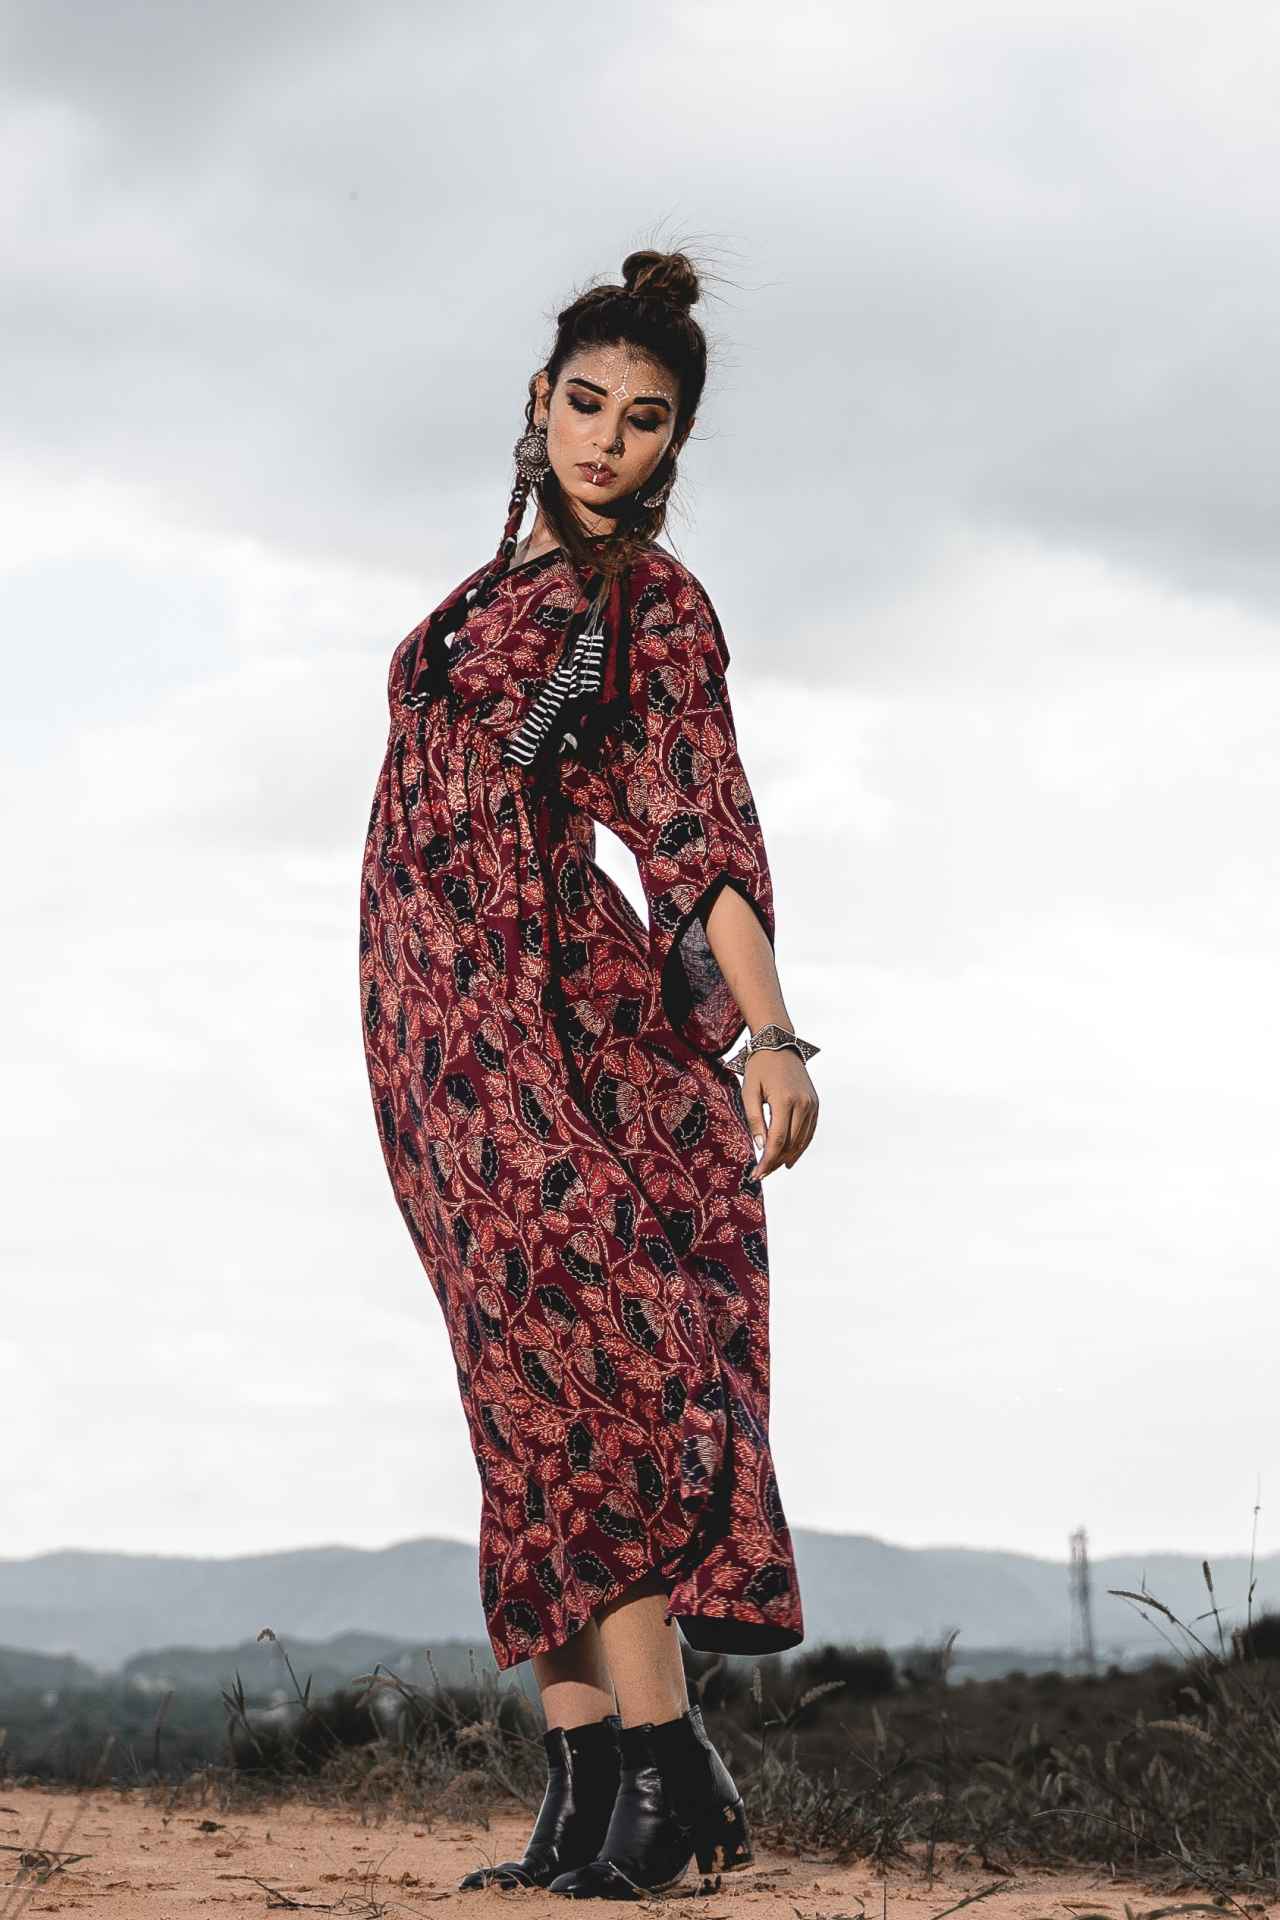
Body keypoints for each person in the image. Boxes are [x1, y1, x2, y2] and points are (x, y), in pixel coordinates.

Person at [358, 247, 821, 1899]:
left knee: (597, 1376)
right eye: (586, 403)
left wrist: (770, 1034)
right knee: (516, 1391)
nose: (608, 439)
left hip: (540, 1023)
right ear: (539, 404)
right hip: (427, 1039)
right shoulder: (483, 603)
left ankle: (664, 1768)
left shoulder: (647, 607)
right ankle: (582, 1787)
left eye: (644, 418)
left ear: (673, 441)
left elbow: (699, 828)